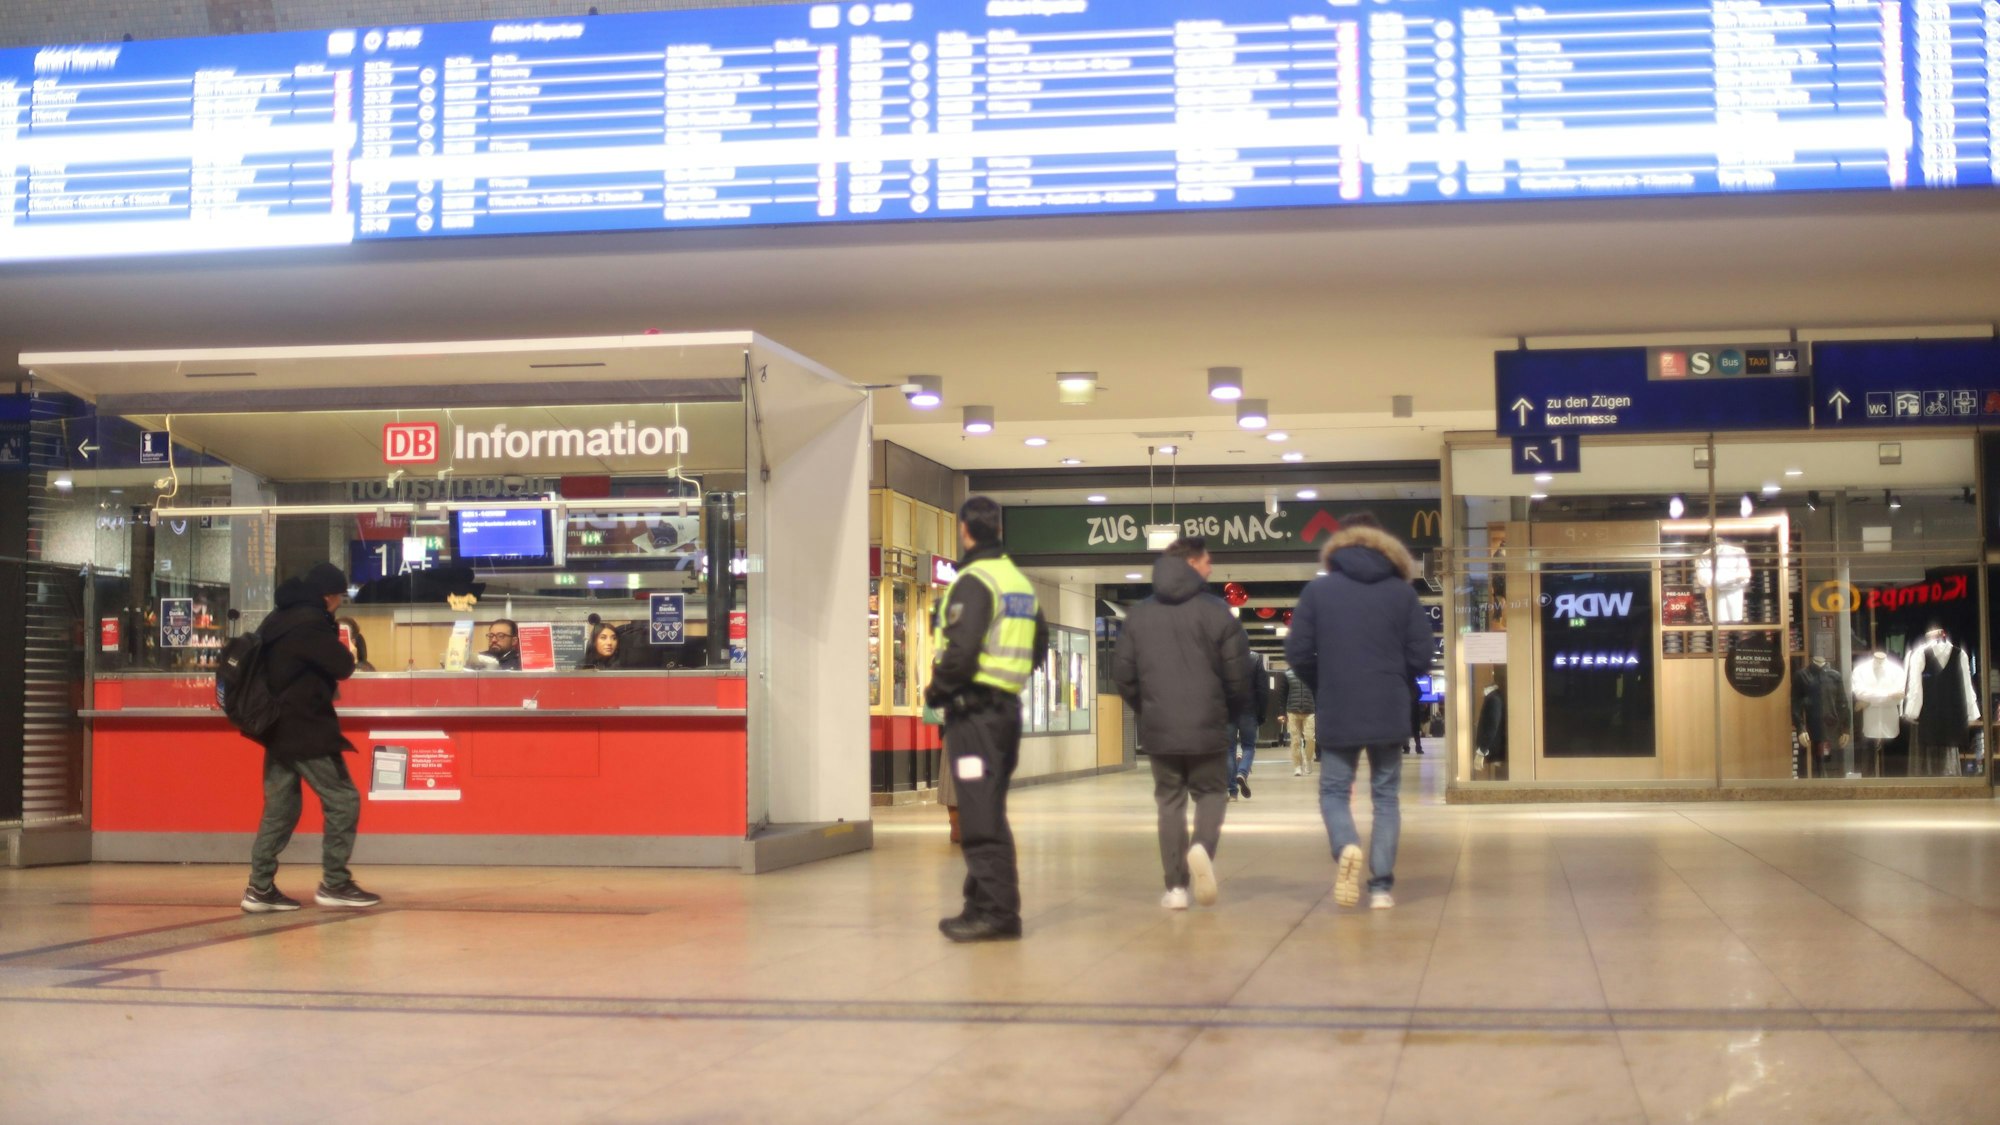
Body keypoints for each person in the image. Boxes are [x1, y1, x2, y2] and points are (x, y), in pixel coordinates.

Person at [1286, 512, 1431, 911]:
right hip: (1388, 706)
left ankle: (1347, 845)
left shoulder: (1319, 592)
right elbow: (1422, 653)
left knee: (1334, 791)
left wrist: (1326, 681)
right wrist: (1395, 679)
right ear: (1384, 543)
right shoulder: (1402, 593)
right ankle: (1381, 887)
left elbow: (1297, 651)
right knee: (1385, 797)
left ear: (1341, 543)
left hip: (1339, 705)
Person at [926, 496, 1047, 943]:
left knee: (978, 816)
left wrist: (937, 690)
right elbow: (1039, 646)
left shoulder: (975, 581)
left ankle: (998, 913)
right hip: (1006, 713)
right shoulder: (1018, 582)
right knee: (986, 807)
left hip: (973, 716)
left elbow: (960, 652)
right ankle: (977, 904)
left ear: (965, 530)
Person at [1113, 537, 1251, 911]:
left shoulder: (1139, 616)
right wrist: (1231, 713)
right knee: (1210, 793)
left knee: (1170, 802)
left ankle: (1175, 888)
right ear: (1191, 562)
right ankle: (1202, 850)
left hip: (1160, 729)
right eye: (1206, 562)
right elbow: (1238, 676)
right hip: (1207, 725)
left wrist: (1148, 708)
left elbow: (1122, 675)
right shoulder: (1218, 612)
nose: (1210, 568)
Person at [241, 563, 381, 913]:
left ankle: (259, 888)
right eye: (339, 599)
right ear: (328, 596)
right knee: (343, 799)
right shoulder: (310, 622)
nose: (339, 605)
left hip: (276, 727)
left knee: (281, 808)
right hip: (304, 727)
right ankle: (335, 882)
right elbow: (343, 665)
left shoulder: (279, 617)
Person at [1229, 650, 1269, 800]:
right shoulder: (1255, 659)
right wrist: (1262, 713)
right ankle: (1242, 772)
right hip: (1248, 711)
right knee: (1249, 746)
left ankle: (1232, 792)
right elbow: (1262, 689)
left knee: (1229, 750)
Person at [1285, 666, 1316, 776]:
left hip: (1310, 711)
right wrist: (1280, 712)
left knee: (1310, 738)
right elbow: (1282, 693)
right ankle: (1297, 766)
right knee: (1295, 741)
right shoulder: (1288, 673)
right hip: (1293, 711)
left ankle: (1308, 760)